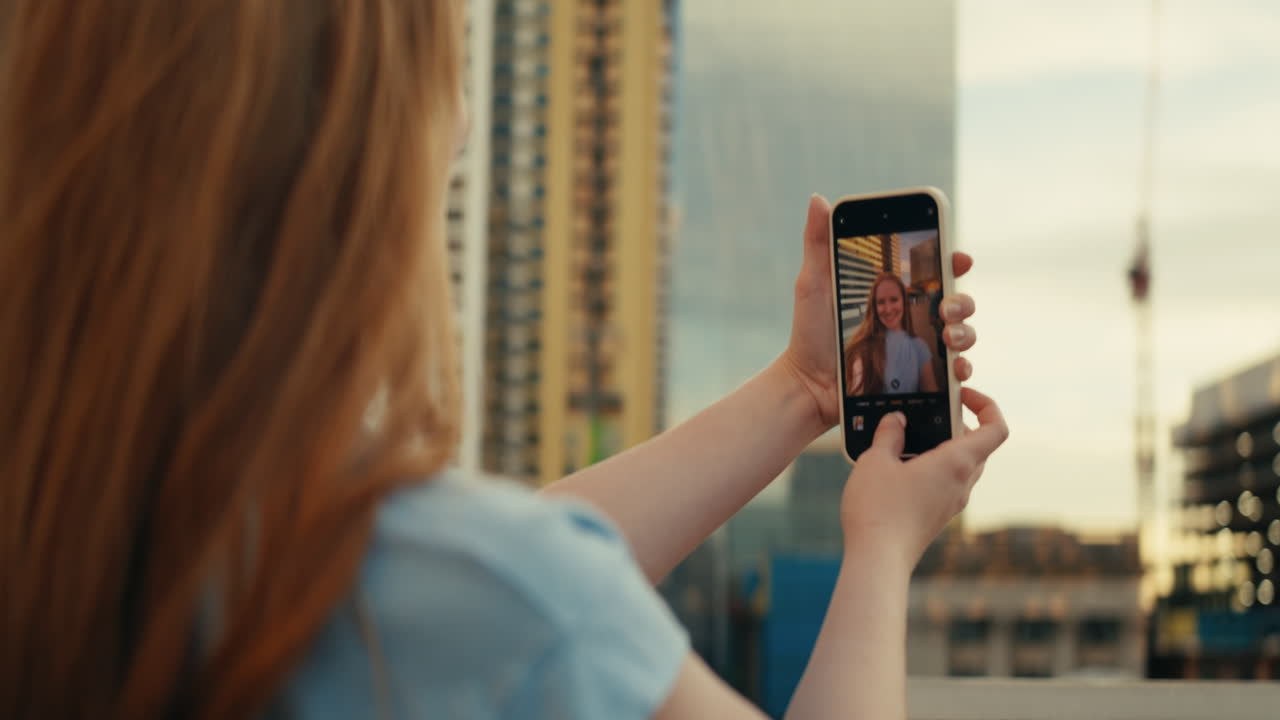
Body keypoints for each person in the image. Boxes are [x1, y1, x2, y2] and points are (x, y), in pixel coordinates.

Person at [0, 3, 1005, 719]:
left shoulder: (81, 534)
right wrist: (877, 550)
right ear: (360, 156)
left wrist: (799, 394)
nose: (467, 123)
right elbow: (506, 584)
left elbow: (505, 558)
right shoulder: (482, 603)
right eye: (451, 69)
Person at [844, 273, 941, 396]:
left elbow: (931, 399)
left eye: (894, 300)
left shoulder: (920, 348)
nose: (888, 309)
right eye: (881, 302)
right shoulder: (862, 351)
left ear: (904, 303)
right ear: (874, 307)